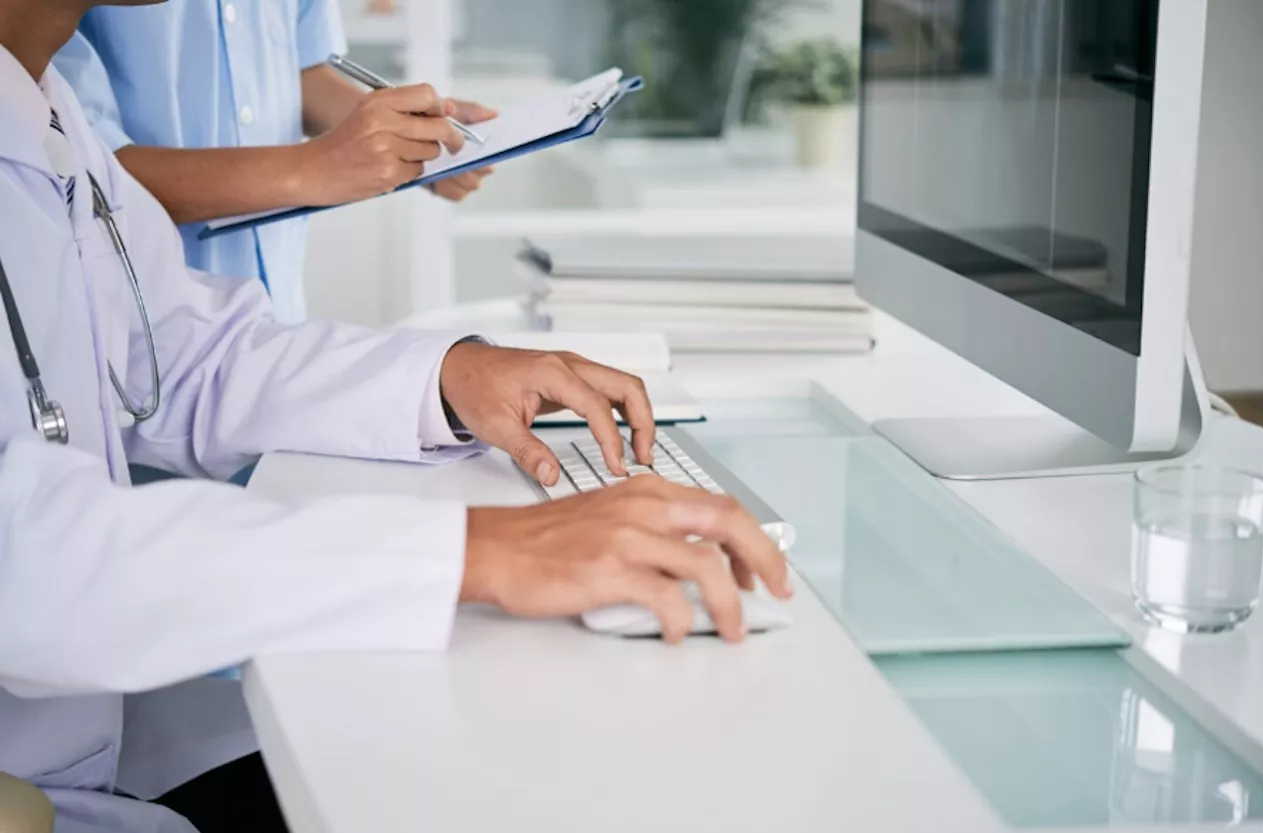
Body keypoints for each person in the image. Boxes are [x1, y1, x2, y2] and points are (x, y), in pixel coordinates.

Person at [0, 2, 794, 831]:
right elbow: (26, 560)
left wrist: (451, 375)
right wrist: (476, 552)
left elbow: (185, 358)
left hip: (106, 737)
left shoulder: (40, 104)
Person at [52, 0, 498, 323]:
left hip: (276, 313)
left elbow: (300, 72)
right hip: (142, 321)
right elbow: (79, 172)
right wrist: (314, 169)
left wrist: (410, 135)